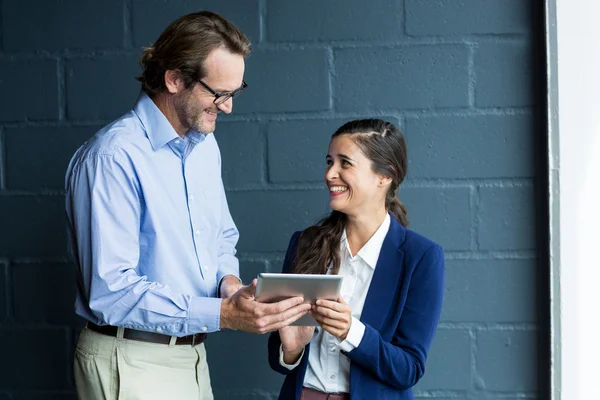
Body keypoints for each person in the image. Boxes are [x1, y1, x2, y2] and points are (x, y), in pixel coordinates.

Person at [65, 11, 311, 400]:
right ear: (175, 79)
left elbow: (220, 239)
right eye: (219, 94)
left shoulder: (203, 147)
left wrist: (228, 285)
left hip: (192, 356)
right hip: (129, 357)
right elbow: (111, 291)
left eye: (235, 92)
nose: (228, 107)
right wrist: (223, 315)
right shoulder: (112, 157)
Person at [267, 119, 445, 400]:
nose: (329, 174)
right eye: (329, 162)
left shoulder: (420, 257)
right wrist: (291, 349)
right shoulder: (304, 243)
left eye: (345, 163)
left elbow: (409, 368)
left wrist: (351, 332)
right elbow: (280, 358)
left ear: (384, 176)